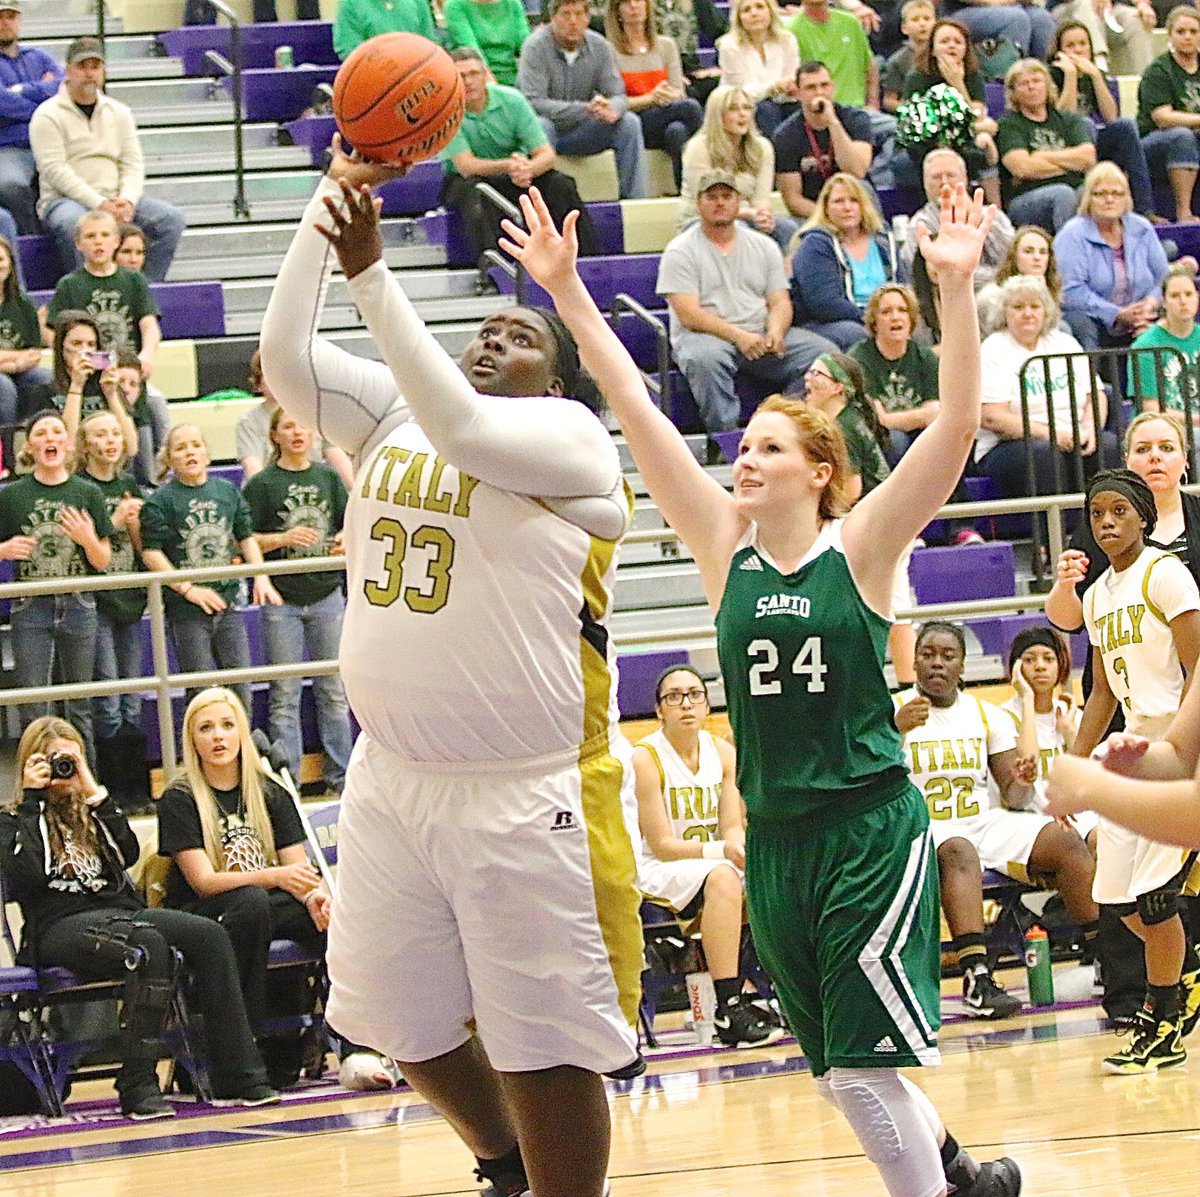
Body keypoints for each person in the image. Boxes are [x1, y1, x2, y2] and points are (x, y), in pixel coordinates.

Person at [505, 171, 1023, 1195]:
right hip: (778, 841)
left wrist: (955, 293)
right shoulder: (721, 546)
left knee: (865, 1076)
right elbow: (633, 403)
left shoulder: (861, 548)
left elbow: (956, 429)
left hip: (867, 829)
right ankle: (964, 1177)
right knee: (838, 1075)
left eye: (769, 449)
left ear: (819, 472)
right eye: (744, 447)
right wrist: (566, 294)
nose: (746, 461)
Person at [258, 142, 648, 1197]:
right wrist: (328, 208)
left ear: (558, 379)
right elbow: (286, 362)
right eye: (485, 327)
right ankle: (503, 1164)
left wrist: (375, 275)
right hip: (390, 778)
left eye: (518, 334)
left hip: (526, 794)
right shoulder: (397, 413)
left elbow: (469, 427)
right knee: (395, 1019)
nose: (491, 339)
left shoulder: (568, 441)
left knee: (545, 1042)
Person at [0, 716, 278, 1119]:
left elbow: (128, 853)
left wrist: (93, 792)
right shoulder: (13, 818)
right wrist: (32, 801)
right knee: (146, 945)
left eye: (71, 760)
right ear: (30, 765)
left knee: (208, 935)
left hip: (120, 912)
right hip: (58, 925)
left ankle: (237, 1073)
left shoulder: (92, 809)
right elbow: (27, 875)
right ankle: (137, 1082)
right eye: (52, 762)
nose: (63, 771)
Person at [894, 621, 1099, 1019]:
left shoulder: (985, 715)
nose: (937, 663)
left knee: (1065, 839)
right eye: (928, 655)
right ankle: (976, 974)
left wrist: (1022, 779)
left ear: (962, 666)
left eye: (948, 656)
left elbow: (1016, 796)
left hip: (982, 820)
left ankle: (1105, 953)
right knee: (959, 851)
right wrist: (893, 730)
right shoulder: (892, 709)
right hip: (921, 827)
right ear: (914, 662)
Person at [1065, 468, 1200, 1072]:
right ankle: (1183, 973)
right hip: (1126, 751)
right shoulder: (1095, 596)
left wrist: (1185, 749)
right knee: (1117, 903)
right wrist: (1071, 766)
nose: (1107, 523)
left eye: (1120, 511)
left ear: (1144, 517)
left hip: (1175, 747)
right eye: (1097, 515)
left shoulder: (1165, 574)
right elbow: (1099, 693)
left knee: (1154, 900)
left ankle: (1164, 1018)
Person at [157, 688, 336, 1090]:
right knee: (254, 905)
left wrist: (316, 895)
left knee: (327, 914)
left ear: (242, 732)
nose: (218, 737)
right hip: (205, 914)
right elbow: (203, 883)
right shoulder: (180, 798)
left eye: (227, 725)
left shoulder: (270, 790)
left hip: (261, 906)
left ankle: (355, 1044)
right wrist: (272, 877)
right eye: (206, 728)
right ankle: (243, 1047)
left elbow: (299, 871)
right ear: (193, 740)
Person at [633, 665, 783, 1048]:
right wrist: (723, 852)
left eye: (694, 695)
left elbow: (731, 824)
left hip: (710, 863)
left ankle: (793, 992)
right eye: (674, 697)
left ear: (706, 705)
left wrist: (741, 850)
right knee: (723, 876)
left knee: (782, 873)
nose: (686, 704)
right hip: (658, 867)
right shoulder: (645, 758)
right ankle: (728, 1006)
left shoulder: (723, 753)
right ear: (658, 710)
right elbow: (663, 844)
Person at [657, 169, 836, 434]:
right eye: (712, 197)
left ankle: (788, 427)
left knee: (822, 354)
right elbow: (689, 315)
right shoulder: (680, 250)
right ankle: (724, 438)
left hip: (759, 333)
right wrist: (739, 336)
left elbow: (780, 301)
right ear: (698, 203)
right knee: (704, 359)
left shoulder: (764, 246)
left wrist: (776, 331)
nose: (719, 203)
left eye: (727, 196)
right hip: (705, 336)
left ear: (738, 202)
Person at [242, 408, 354, 796]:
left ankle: (341, 779)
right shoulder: (262, 485)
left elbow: (350, 522)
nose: (297, 432)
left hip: (326, 594)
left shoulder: (328, 477)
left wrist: (343, 537)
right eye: (288, 426)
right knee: (284, 693)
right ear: (274, 436)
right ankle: (286, 782)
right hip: (282, 598)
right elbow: (244, 539)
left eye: (302, 424)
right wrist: (283, 540)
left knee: (334, 690)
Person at [138, 424, 281, 718]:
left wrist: (261, 576)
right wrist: (188, 589)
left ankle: (244, 753)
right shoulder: (160, 501)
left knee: (240, 686)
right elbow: (151, 552)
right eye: (181, 447)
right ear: (169, 458)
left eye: (195, 445)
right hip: (186, 612)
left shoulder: (226, 491)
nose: (190, 451)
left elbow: (245, 537)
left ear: (206, 453)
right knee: (200, 691)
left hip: (228, 605)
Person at [0, 409, 111, 761]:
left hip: (79, 604)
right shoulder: (11, 495)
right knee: (35, 707)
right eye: (41, 433)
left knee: (80, 707)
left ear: (67, 442)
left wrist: (88, 538)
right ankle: (39, 790)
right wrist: (2, 550)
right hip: (30, 605)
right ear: (29, 446)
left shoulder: (87, 492)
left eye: (56, 432)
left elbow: (103, 560)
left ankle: (87, 791)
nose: (50, 438)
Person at [29, 38, 185, 282]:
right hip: (65, 200)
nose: (89, 74)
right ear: (68, 70)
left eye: (95, 66)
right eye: (82, 66)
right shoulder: (47, 115)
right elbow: (54, 170)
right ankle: (87, 292)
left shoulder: (120, 112)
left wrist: (127, 200)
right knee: (76, 224)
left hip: (115, 196)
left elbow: (132, 163)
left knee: (169, 219)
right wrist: (99, 204)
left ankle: (142, 291)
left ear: (104, 71)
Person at [440, 47, 600, 262]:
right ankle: (495, 269)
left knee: (561, 184)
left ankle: (588, 260)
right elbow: (466, 166)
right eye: (461, 76)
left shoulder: (512, 101)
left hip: (517, 173)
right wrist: (510, 165)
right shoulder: (445, 110)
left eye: (473, 74)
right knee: (475, 192)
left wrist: (528, 169)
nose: (468, 81)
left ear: (486, 75)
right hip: (468, 179)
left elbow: (546, 154)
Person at [976, 275, 1114, 502]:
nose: (1027, 313)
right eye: (1018, 307)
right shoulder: (993, 348)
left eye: (1034, 306)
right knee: (1044, 454)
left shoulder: (1064, 342)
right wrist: (1052, 434)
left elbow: (1096, 394)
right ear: (1004, 313)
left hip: (1071, 434)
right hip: (1010, 445)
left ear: (1046, 311)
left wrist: (1090, 428)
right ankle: (1051, 534)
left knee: (1108, 446)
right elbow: (992, 417)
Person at [74, 407, 148, 790]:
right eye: (100, 435)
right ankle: (113, 788)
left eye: (115, 434)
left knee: (132, 695)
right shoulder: (80, 487)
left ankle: (136, 789)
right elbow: (82, 549)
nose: (110, 441)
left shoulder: (129, 483)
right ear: (85, 445)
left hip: (130, 595)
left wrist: (134, 526)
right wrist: (115, 520)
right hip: (96, 599)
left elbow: (140, 548)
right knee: (107, 697)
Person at [517, 0, 649, 200]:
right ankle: (541, 203)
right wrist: (586, 109)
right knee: (541, 125)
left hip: (584, 129)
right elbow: (533, 102)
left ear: (588, 18)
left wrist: (612, 108)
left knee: (629, 122)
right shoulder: (534, 47)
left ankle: (636, 200)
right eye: (566, 14)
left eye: (579, 14)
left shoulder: (600, 46)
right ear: (553, 18)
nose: (573, 21)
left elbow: (618, 94)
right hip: (548, 130)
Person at [1055, 162, 1168, 352]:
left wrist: (1150, 304)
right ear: (1088, 198)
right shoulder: (1072, 234)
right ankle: (1091, 379)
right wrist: (1116, 313)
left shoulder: (1141, 228)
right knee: (1081, 323)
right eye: (1101, 194)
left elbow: (1164, 277)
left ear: (1127, 198)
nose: (1109, 200)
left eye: (1117, 194)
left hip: (1143, 316)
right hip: (1095, 320)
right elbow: (1070, 291)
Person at [1050, 20, 1156, 221]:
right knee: (1085, 123)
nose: (1078, 50)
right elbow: (1062, 120)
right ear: (1059, 51)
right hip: (1067, 145)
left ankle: (1145, 210)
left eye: (1083, 44)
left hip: (1096, 141)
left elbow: (1111, 116)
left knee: (1126, 126)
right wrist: (1071, 76)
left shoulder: (1096, 75)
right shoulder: (1051, 76)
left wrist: (1097, 77)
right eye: (1070, 46)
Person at [788, 170, 902, 350]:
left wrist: (897, 316)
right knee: (858, 335)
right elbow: (824, 304)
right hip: (832, 322)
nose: (847, 207)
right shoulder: (816, 244)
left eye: (854, 201)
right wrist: (876, 320)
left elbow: (903, 285)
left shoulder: (883, 239)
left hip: (886, 315)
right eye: (839, 201)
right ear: (826, 207)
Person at [1000, 625, 1095, 838]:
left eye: (1048, 659)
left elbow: (1089, 777)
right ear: (1015, 668)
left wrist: (1069, 731)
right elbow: (1029, 764)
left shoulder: (1070, 715)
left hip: (1077, 815)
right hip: (1029, 820)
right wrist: (1028, 699)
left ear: (1061, 666)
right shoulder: (1004, 716)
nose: (1040, 666)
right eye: (1029, 659)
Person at [45, 208, 162, 378]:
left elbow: (149, 325)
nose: (98, 242)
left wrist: (146, 355)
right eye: (90, 236)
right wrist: (69, 359)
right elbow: (54, 333)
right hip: (87, 372)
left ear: (116, 242)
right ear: (78, 243)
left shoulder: (135, 280)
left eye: (105, 235)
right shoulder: (69, 285)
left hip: (127, 371)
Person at [899, 18, 999, 206]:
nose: (951, 46)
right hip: (927, 141)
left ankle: (997, 212)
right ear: (933, 49)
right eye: (945, 41)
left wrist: (957, 83)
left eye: (957, 42)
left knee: (982, 147)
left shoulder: (972, 76)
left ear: (966, 49)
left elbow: (977, 116)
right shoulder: (917, 78)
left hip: (963, 138)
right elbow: (919, 126)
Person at [606, 0, 702, 190]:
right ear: (617, 12)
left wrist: (665, 97)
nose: (634, 6)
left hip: (667, 114)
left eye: (639, 0)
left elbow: (678, 92)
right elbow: (616, 103)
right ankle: (713, 163)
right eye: (626, 3)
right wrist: (652, 98)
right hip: (634, 122)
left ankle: (687, 193)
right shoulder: (609, 50)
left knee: (677, 131)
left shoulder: (666, 46)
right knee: (691, 107)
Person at [680, 85, 791, 246]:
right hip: (700, 219)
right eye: (733, 109)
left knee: (787, 228)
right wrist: (751, 214)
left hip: (748, 216)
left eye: (747, 108)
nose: (743, 114)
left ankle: (783, 271)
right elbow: (708, 204)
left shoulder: (763, 147)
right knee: (740, 229)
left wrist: (763, 216)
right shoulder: (698, 148)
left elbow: (761, 198)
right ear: (717, 115)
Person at [996, 58, 1097, 233]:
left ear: (1047, 86)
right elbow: (1022, 168)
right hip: (1024, 199)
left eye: (1036, 81)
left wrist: (1040, 156)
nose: (1031, 87)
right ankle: (1066, 255)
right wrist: (1071, 165)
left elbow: (1088, 158)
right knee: (1063, 194)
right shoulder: (1009, 125)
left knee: (1093, 192)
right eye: (1023, 84)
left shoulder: (1067, 119)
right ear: (1013, 93)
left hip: (1071, 188)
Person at [236, 349, 354, 491]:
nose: (277, 381)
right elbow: (253, 471)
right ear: (258, 382)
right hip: (272, 493)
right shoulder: (248, 421)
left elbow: (338, 458)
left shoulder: (316, 412)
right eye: (269, 375)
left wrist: (355, 491)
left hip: (312, 489)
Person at [773, 60, 875, 223]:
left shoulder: (856, 119)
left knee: (865, 188)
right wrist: (829, 216)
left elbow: (857, 170)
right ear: (798, 93)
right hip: (814, 211)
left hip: (854, 205)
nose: (819, 92)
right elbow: (793, 200)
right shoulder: (785, 135)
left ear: (832, 88)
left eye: (824, 85)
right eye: (811, 88)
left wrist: (833, 123)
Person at [848, 282, 939, 461]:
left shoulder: (926, 358)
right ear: (874, 323)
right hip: (875, 437)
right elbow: (879, 421)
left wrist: (902, 419)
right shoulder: (859, 359)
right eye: (886, 312)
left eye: (902, 310)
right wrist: (919, 416)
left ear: (911, 319)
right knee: (895, 440)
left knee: (943, 439)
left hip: (917, 433)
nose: (895, 317)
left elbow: (935, 413)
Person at [901, 148, 1014, 289]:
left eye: (951, 175)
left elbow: (1012, 259)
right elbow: (931, 275)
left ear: (965, 179)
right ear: (925, 183)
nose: (944, 183)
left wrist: (973, 217)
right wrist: (998, 279)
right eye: (936, 177)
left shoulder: (993, 215)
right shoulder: (920, 225)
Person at [0, 0, 62, 235]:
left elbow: (64, 89)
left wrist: (20, 90)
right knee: (9, 185)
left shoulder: (39, 56)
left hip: (54, 143)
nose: (5, 23)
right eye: (0, 17)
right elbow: (3, 104)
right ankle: (32, 240)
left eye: (11, 16)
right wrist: (43, 97)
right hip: (11, 146)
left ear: (19, 21)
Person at [1136, 6, 1200, 225]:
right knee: (1182, 136)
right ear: (1170, 36)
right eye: (1181, 31)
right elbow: (1163, 118)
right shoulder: (1159, 71)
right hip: (1153, 143)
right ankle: (1184, 213)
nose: (1188, 37)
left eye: (1193, 31)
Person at [0, 230, 52, 467]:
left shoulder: (23, 304)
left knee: (49, 379)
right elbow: (23, 355)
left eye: (1, 259)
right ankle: (6, 461)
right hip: (8, 375)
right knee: (4, 388)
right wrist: (15, 361)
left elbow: (34, 353)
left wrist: (17, 364)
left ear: (10, 265)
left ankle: (42, 453)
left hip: (20, 371)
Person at [715, 0, 800, 136]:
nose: (754, 13)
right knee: (766, 109)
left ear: (770, 12)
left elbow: (790, 79)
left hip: (783, 100)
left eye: (760, 7)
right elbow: (742, 92)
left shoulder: (787, 40)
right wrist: (775, 87)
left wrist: (789, 87)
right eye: (746, 10)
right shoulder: (729, 46)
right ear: (739, 18)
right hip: (741, 106)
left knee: (800, 109)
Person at [1130, 264, 1200, 416]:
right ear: (1164, 302)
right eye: (1175, 296)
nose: (1183, 301)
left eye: (1189, 294)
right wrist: (1196, 421)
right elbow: (1150, 409)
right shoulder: (1145, 346)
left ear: (1197, 297)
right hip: (1161, 429)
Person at [975, 223, 1063, 337]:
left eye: (1043, 252)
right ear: (1014, 257)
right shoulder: (992, 296)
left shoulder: (1048, 288)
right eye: (1028, 251)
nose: (1037, 257)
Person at [786, 0, 877, 110]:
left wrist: (873, 104)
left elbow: (869, 66)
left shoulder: (850, 22)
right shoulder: (790, 30)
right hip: (817, 111)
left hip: (857, 109)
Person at [1051, 0, 1155, 78]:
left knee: (1134, 19)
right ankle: (1101, 70)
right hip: (1069, 9)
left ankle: (1146, 79)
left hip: (1108, 8)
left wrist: (1141, 4)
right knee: (1085, 5)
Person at [444, 0, 531, 87]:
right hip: (477, 82)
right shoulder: (455, 4)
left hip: (516, 79)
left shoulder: (513, 3)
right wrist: (495, 90)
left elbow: (527, 46)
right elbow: (472, 50)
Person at [937, 0, 1055, 61]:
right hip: (961, 12)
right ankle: (1012, 77)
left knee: (1042, 19)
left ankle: (1045, 78)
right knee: (1016, 19)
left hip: (1009, 6)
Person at [332, 0, 437, 60]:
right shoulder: (350, 4)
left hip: (417, 77)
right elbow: (350, 51)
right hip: (373, 81)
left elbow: (429, 45)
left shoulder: (419, 2)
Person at [881, 0, 935, 115]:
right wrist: (913, 110)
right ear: (904, 28)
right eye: (915, 19)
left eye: (927, 18)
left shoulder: (944, 53)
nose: (922, 24)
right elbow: (888, 101)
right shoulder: (897, 60)